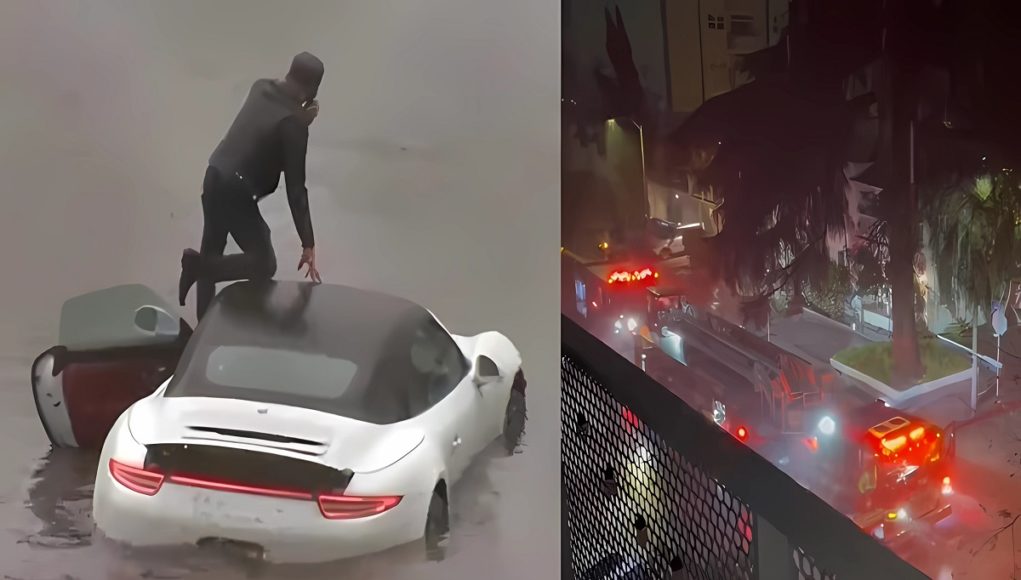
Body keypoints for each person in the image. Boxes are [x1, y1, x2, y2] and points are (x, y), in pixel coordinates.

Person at [178, 52, 325, 320]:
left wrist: (302, 118)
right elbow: (296, 189)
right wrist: (308, 243)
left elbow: (272, 117)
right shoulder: (293, 125)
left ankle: (201, 332)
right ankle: (198, 268)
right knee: (263, 262)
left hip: (214, 174)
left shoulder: (260, 87)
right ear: (312, 90)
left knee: (213, 254)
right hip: (236, 190)